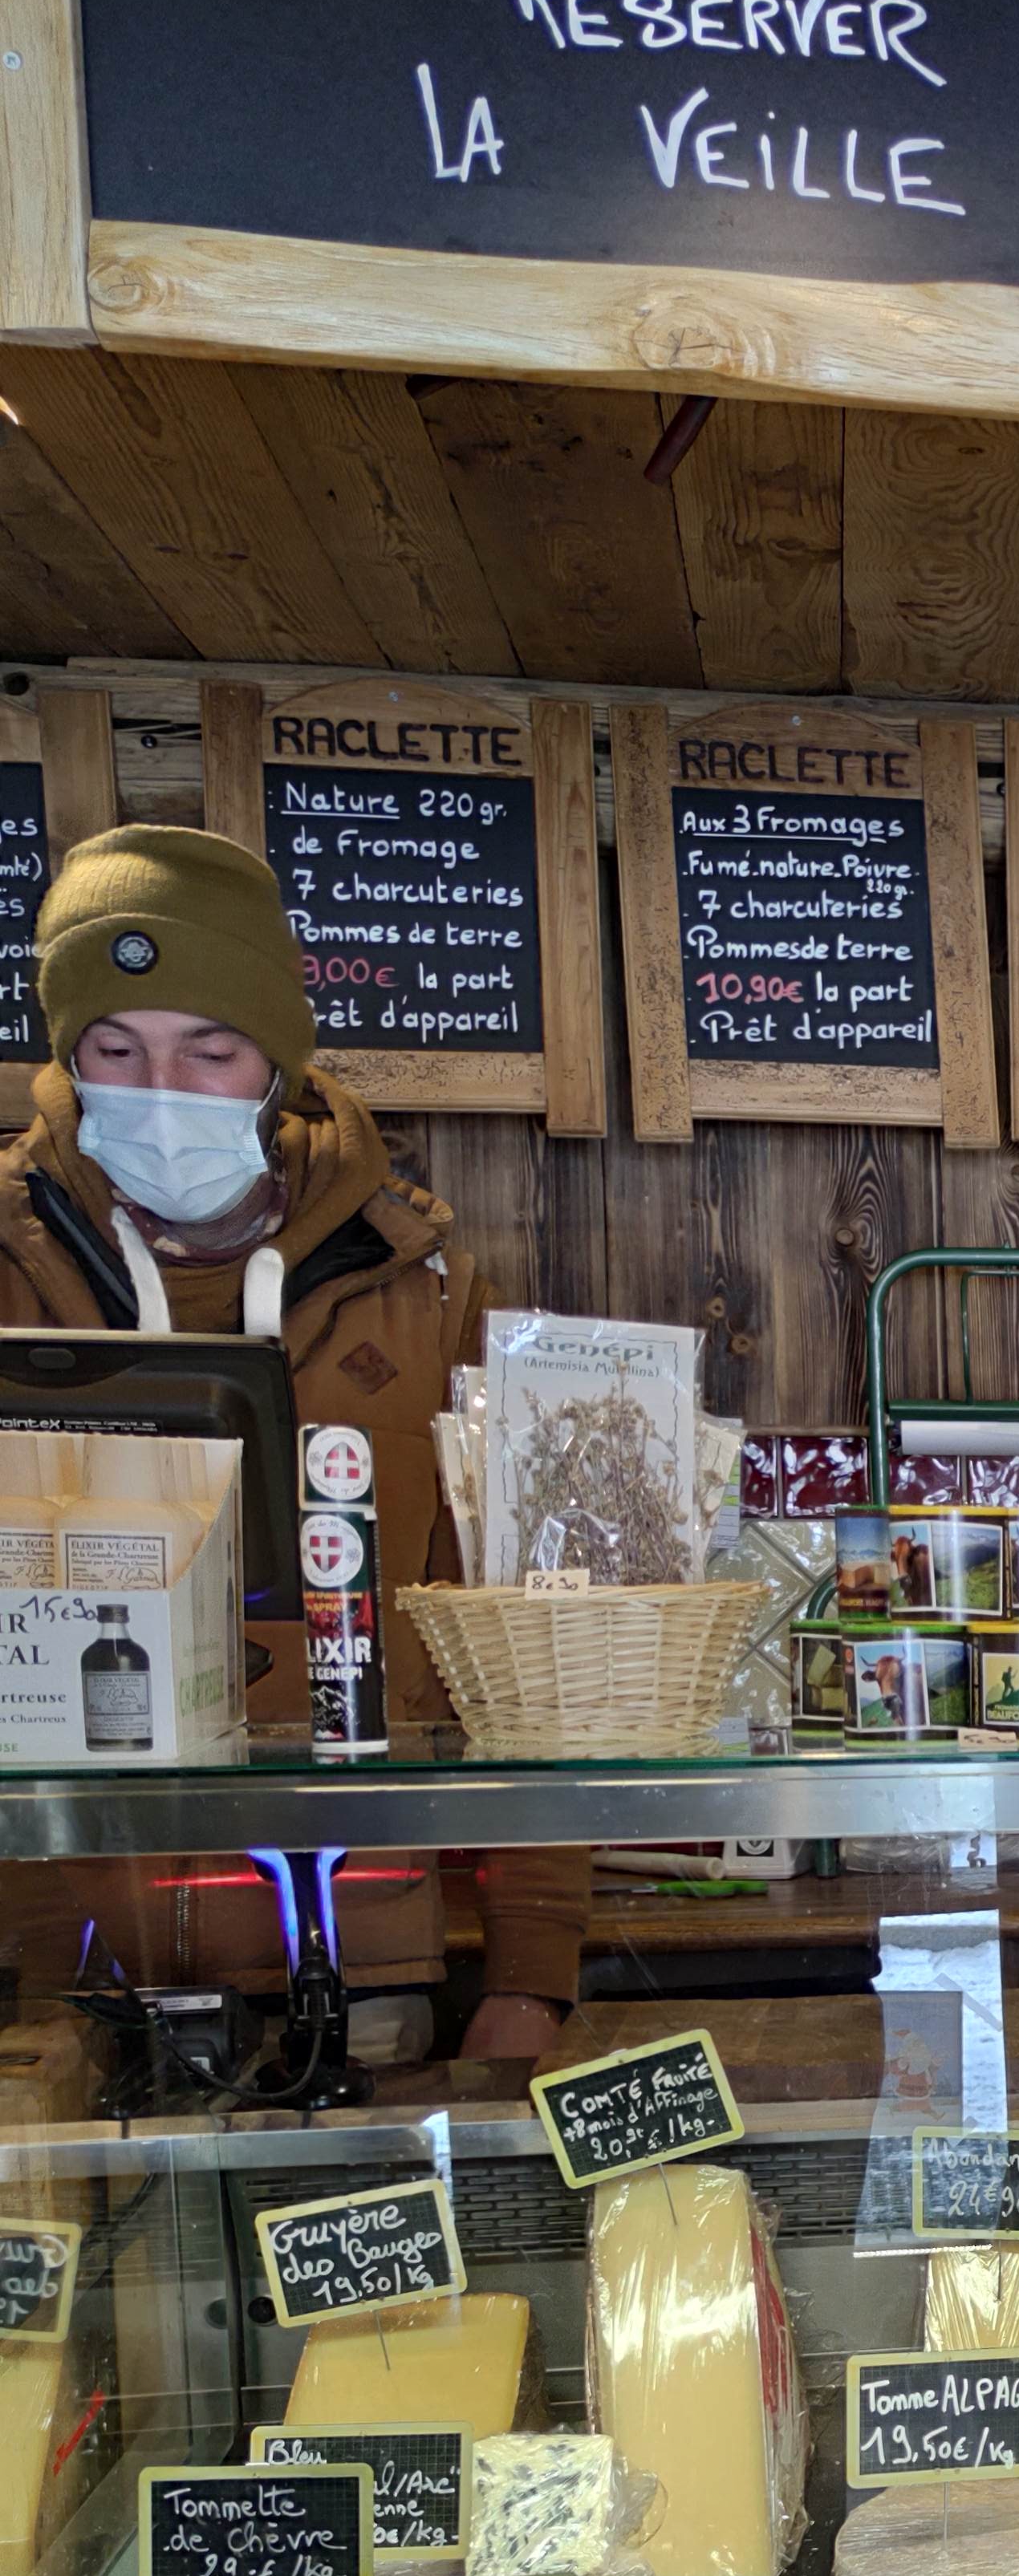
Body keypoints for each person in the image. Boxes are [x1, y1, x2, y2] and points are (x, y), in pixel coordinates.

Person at [0, 826, 583, 2058]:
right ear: (65, 1056)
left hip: (365, 1963)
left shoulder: (425, 1290)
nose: (162, 1090)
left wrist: (531, 1971)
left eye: (209, 1050)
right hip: (55, 1977)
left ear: (277, 1062)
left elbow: (527, 1643)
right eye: (116, 1049)